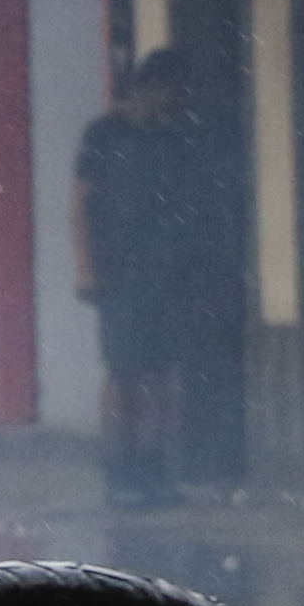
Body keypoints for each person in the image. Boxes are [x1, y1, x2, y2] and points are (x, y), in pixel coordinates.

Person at [73, 47, 236, 505]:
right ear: (154, 87)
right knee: (123, 372)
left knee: (162, 372)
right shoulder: (104, 135)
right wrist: (87, 266)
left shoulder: (175, 136)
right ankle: (119, 466)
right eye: (174, 91)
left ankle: (154, 466)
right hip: (120, 270)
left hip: (168, 268)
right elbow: (82, 203)